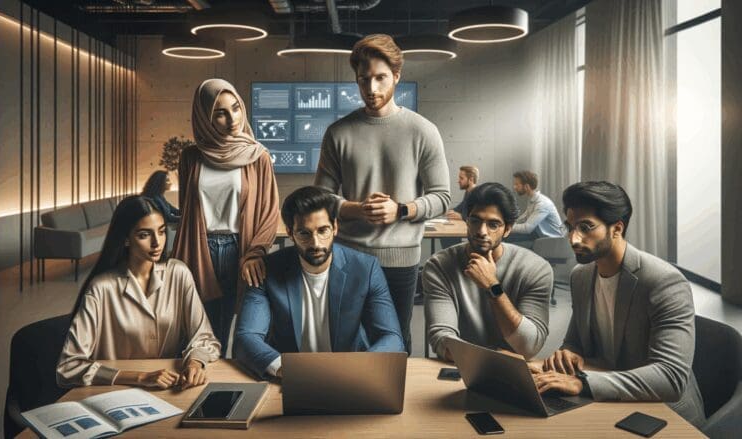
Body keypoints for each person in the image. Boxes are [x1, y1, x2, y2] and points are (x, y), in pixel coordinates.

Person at [315, 34, 451, 354]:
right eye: (364, 80)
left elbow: (442, 197)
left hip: (401, 258)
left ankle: (396, 403)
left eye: (380, 78)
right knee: (347, 339)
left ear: (397, 77)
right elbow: (320, 200)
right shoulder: (338, 133)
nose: (372, 89)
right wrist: (357, 209)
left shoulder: (423, 131)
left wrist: (401, 210)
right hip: (350, 257)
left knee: (396, 339)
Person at [533, 181, 705, 428]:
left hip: (665, 415)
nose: (573, 238)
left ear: (617, 228)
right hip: (610, 401)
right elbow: (575, 343)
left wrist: (585, 383)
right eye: (569, 227)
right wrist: (567, 354)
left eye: (586, 227)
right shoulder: (580, 276)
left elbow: (670, 377)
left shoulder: (663, 281)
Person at [234, 186, 405, 379]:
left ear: (335, 227)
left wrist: (358, 368)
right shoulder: (267, 270)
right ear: (290, 233)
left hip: (350, 377)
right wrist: (287, 370)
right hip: (290, 379)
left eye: (323, 230)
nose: (315, 243)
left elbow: (392, 338)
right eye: (304, 234)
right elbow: (246, 337)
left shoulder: (366, 269)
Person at [56, 196, 220, 389]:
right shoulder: (102, 288)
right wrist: (139, 377)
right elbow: (68, 367)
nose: (156, 243)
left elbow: (204, 336)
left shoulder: (178, 273)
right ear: (126, 239)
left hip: (168, 387)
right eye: (144, 235)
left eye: (161, 232)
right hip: (114, 392)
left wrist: (195, 362)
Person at [172, 79, 280, 356]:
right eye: (219, 113)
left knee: (247, 332)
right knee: (203, 331)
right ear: (205, 117)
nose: (232, 119)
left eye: (235, 108)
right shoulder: (190, 158)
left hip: (241, 250)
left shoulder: (258, 156)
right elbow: (187, 211)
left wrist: (256, 252)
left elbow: (269, 212)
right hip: (199, 249)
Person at [424, 183, 553, 361]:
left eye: (493, 225)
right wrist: (495, 358)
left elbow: (529, 346)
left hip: (513, 375)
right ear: (467, 220)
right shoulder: (439, 266)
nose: (481, 231)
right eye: (475, 221)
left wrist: (493, 286)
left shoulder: (536, 268)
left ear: (507, 229)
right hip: (461, 368)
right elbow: (442, 338)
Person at [507, 170, 565, 248]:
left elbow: (527, 228)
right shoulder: (533, 200)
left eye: (517, 184)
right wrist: (507, 223)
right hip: (540, 236)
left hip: (552, 242)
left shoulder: (542, 204)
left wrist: (505, 227)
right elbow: (522, 219)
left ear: (526, 186)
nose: (514, 187)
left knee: (510, 246)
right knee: (506, 237)